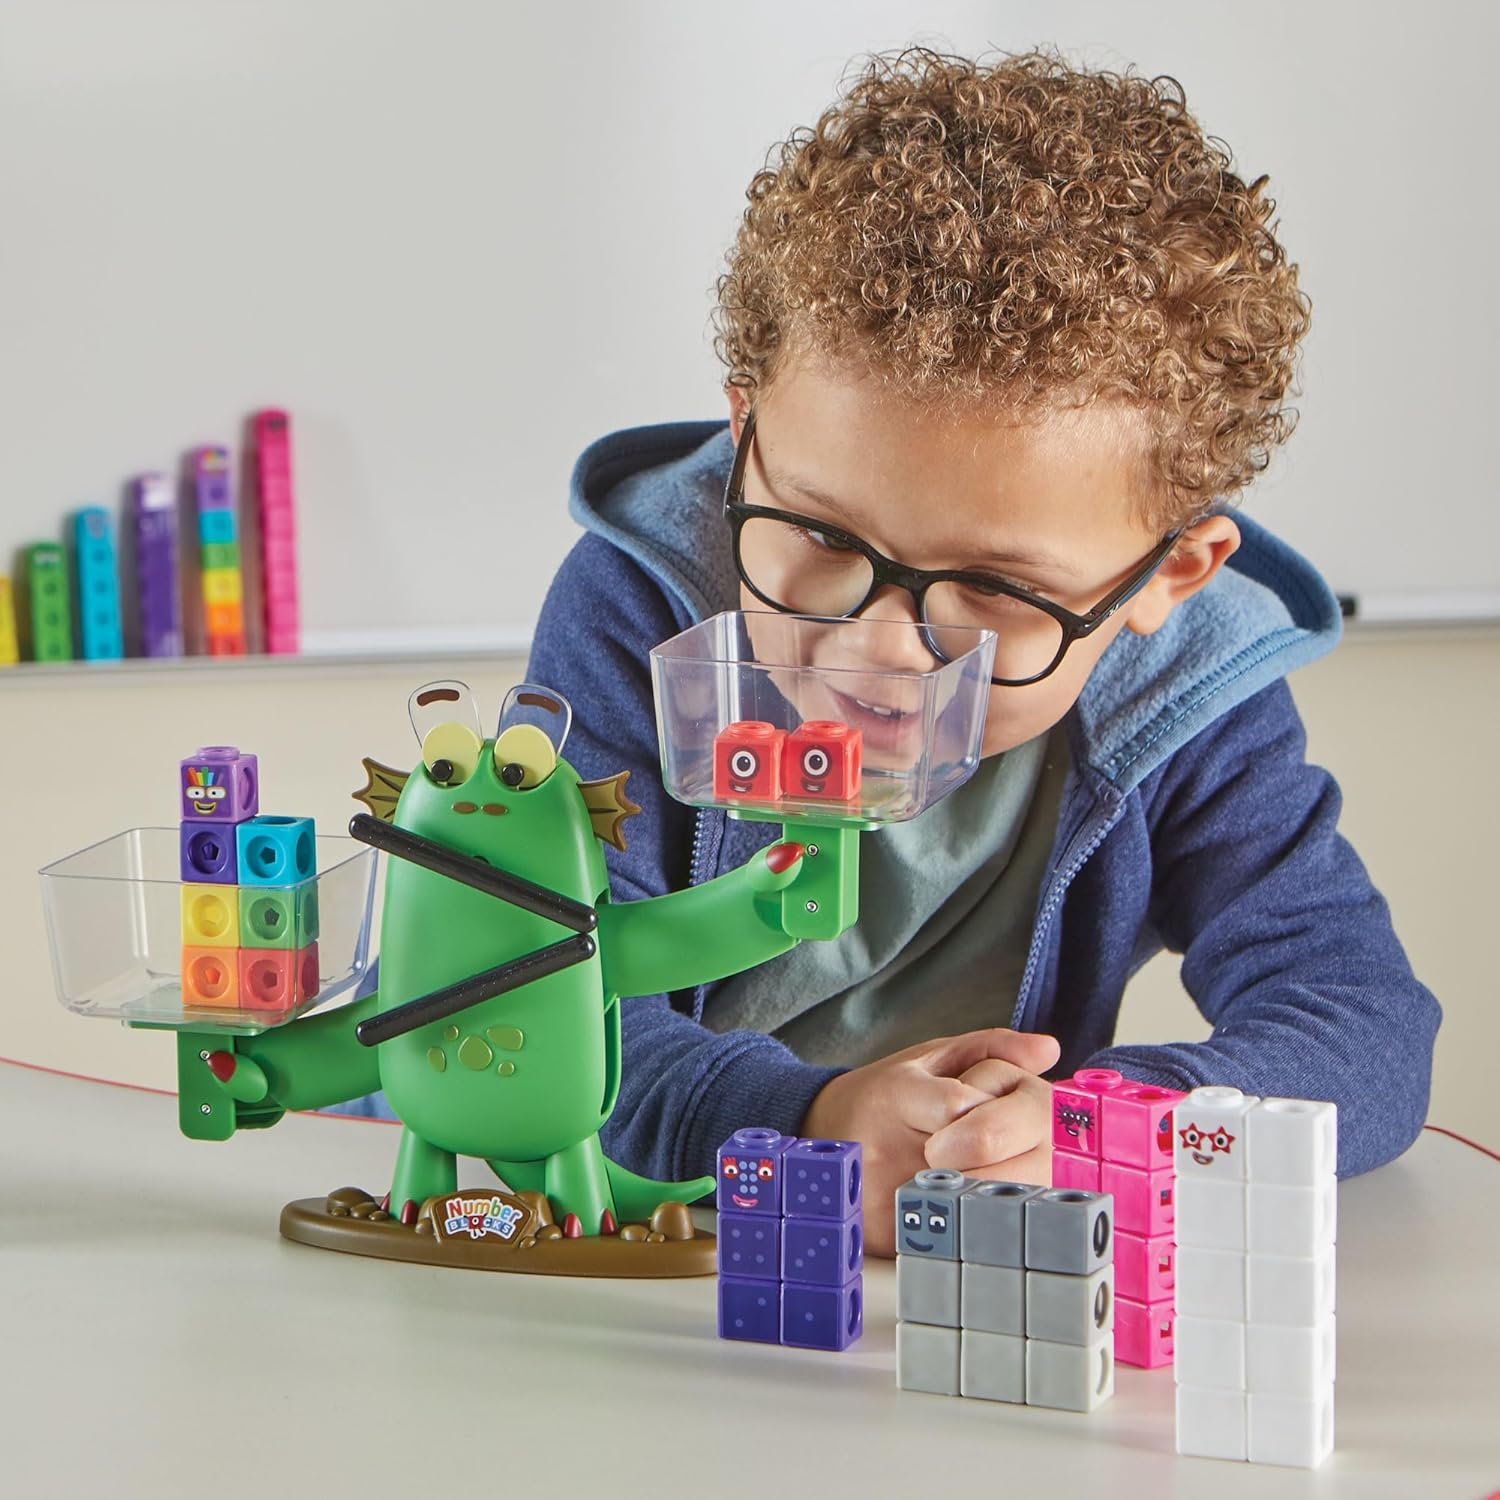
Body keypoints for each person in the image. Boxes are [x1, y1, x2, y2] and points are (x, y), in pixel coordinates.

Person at [346, 49, 1441, 1255]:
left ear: (1168, 576)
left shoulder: (1190, 695)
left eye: (999, 590)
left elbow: (1361, 1023)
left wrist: (1097, 1129)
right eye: (818, 534)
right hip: (535, 1221)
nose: (869, 656)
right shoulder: (644, 609)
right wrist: (801, 1125)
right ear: (744, 425)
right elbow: (527, 1002)